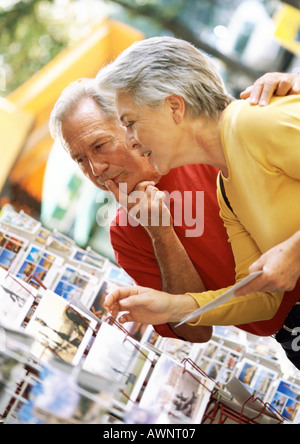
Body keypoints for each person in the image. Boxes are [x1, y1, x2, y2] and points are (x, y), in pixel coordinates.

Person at [49, 72, 299, 345]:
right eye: (80, 159)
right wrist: (160, 232)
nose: (95, 169)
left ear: (127, 125)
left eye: (99, 146)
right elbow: (195, 332)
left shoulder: (197, 146)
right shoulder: (124, 231)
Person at [98, 37, 300, 369]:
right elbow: (261, 299)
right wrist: (171, 306)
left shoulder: (254, 123)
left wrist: (294, 251)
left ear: (174, 107)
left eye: (131, 123)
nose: (130, 141)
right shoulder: (225, 185)